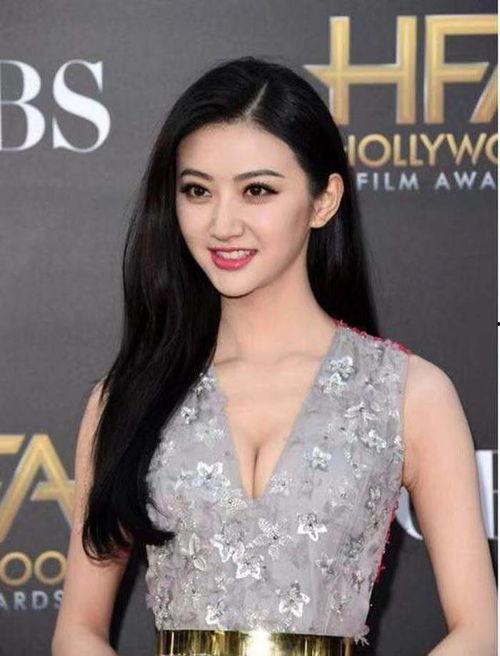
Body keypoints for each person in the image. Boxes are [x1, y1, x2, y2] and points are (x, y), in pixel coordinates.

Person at [51, 56, 497, 656]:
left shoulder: (408, 393)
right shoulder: (127, 396)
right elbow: (78, 630)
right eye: (197, 191)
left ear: (324, 200)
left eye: (257, 190)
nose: (222, 223)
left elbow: (481, 629)